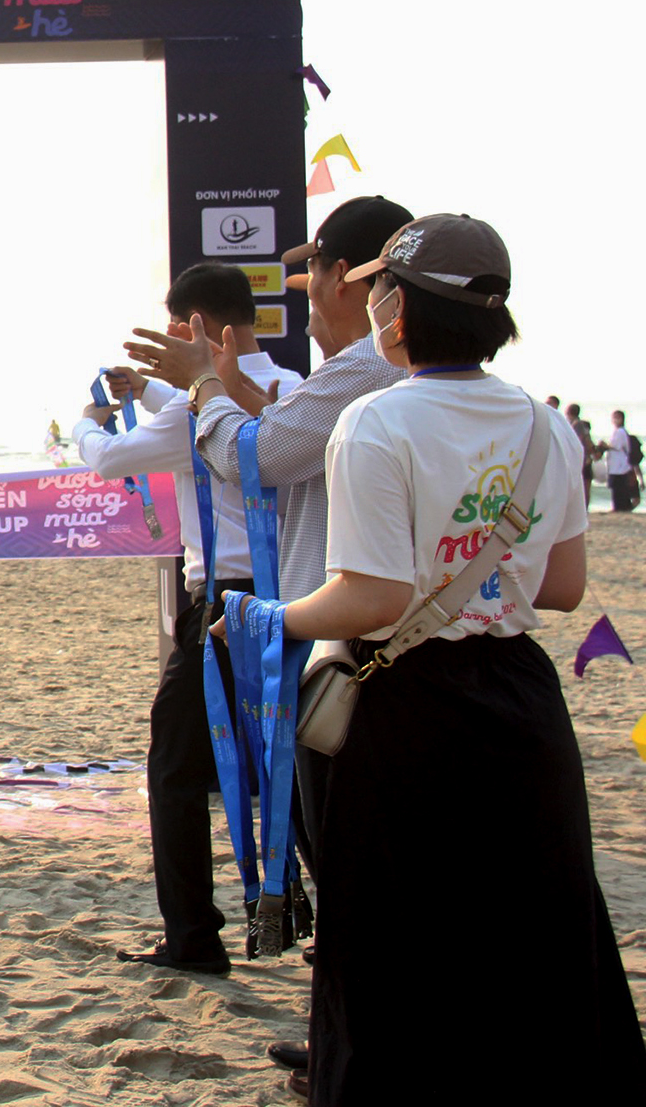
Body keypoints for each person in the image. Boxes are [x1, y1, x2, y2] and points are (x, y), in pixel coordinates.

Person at [243, 214, 646, 1101]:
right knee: (534, 928)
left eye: (381, 285)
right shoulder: (547, 425)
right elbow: (564, 588)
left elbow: (371, 599)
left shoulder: (376, 422)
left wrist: (269, 614)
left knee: (393, 939)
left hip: (403, 706)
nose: (372, 299)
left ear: (401, 310)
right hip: (520, 703)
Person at [126, 195, 413, 1079]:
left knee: (331, 837)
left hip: (340, 634)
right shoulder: (472, 397)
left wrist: (201, 387)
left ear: (360, 284)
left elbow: (253, 456)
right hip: (428, 646)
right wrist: (220, 385)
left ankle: (348, 1039)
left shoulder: (364, 374)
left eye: (317, 273)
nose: (310, 295)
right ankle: (344, 1031)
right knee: (344, 841)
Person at [79, 263, 303, 977]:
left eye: (177, 331)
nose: (169, 345)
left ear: (201, 329)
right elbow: (190, 405)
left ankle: (192, 938)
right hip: (291, 597)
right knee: (288, 768)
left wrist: (89, 424)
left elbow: (114, 457)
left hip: (220, 607)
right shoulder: (296, 391)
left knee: (175, 772)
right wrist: (146, 388)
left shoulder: (194, 411)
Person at [600, 410, 637, 512]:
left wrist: (604, 445)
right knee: (618, 487)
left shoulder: (620, 431)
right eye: (614, 417)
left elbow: (616, 446)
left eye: (617, 418)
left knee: (618, 488)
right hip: (617, 465)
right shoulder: (618, 431)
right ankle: (621, 506)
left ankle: (620, 507)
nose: (615, 420)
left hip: (619, 466)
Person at [567, 402, 596, 506]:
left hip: (582, 459)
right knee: (585, 485)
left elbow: (579, 440)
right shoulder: (581, 424)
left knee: (583, 486)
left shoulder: (576, 424)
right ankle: (584, 509)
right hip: (585, 458)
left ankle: (583, 509)